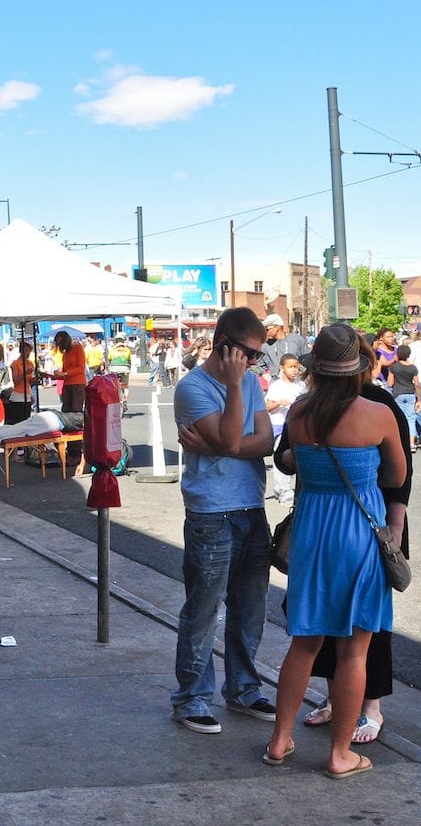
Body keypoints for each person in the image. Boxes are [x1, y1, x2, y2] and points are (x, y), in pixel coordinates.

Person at [264, 324, 407, 778]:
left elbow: (286, 460)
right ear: (359, 367)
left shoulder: (300, 412)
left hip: (311, 530)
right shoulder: (377, 413)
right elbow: (395, 476)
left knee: (303, 643)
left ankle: (279, 740)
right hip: (358, 533)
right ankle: (340, 753)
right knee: (354, 651)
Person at [170, 307, 276, 734]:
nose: (253, 363)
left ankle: (244, 688)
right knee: (203, 607)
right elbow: (238, 438)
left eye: (257, 356)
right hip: (211, 511)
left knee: (250, 607)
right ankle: (192, 697)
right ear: (224, 346)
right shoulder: (193, 388)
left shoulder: (250, 381)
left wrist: (218, 447)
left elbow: (266, 442)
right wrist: (234, 392)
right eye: (248, 354)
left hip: (251, 504)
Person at [265, 353, 306, 505]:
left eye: (296, 367)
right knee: (281, 456)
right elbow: (268, 406)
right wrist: (280, 403)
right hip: (279, 425)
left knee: (293, 457)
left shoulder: (301, 385)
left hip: (296, 426)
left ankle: (291, 490)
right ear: (282, 368)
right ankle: (282, 490)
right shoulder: (276, 386)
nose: (294, 370)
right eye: (290, 367)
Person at [386, 345, 421, 449]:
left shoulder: (393, 367)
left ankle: (401, 442)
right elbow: (417, 385)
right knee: (411, 419)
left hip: (397, 394)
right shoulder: (412, 368)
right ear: (409, 355)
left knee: (399, 418)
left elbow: (390, 383)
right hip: (410, 394)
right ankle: (412, 443)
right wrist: (419, 400)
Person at [260, 313, 306, 380]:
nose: (265, 332)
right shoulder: (265, 345)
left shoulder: (297, 340)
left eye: (267, 329)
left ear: (277, 328)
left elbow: (306, 362)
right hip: (275, 385)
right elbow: (260, 366)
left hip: (296, 384)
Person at [5, 340, 35, 425]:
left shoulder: (30, 363)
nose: (28, 353)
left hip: (27, 393)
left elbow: (29, 381)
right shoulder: (15, 364)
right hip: (18, 395)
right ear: (21, 351)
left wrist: (33, 380)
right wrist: (25, 373)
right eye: (26, 351)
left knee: (27, 419)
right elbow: (16, 381)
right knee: (18, 421)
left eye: (29, 351)